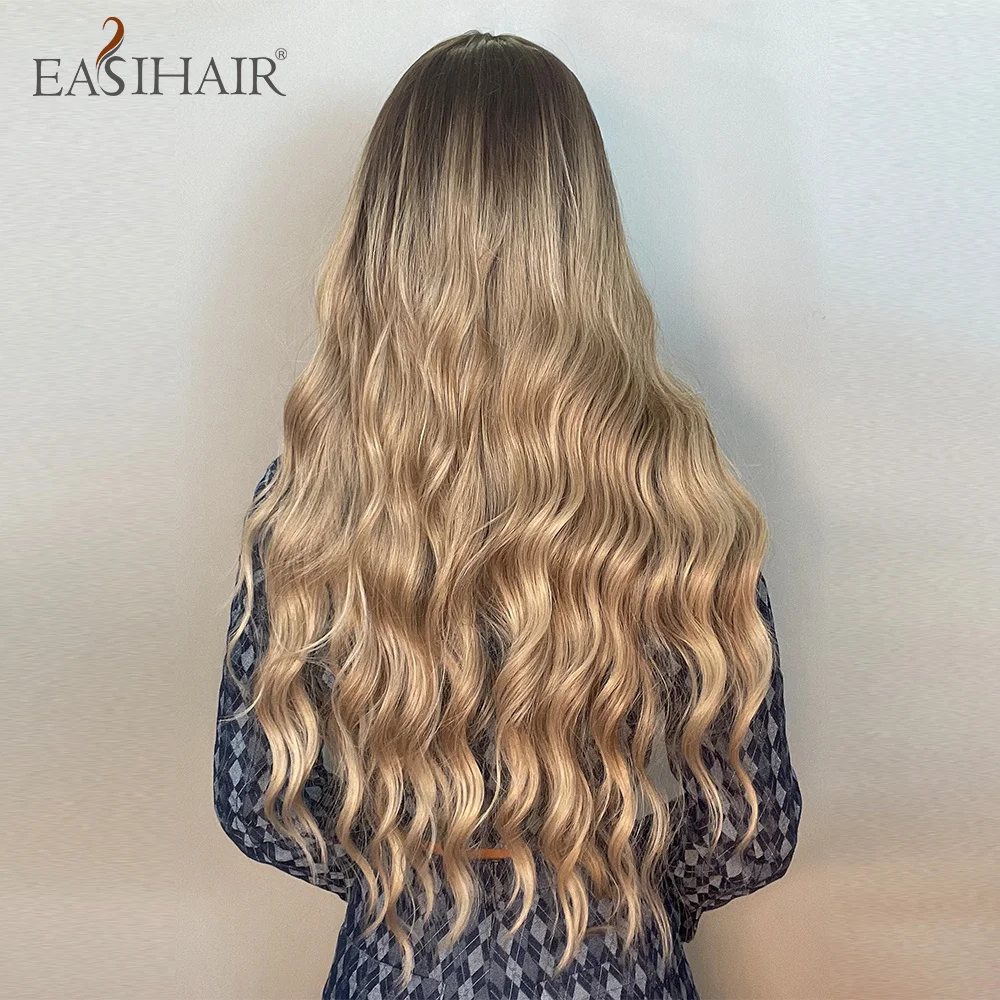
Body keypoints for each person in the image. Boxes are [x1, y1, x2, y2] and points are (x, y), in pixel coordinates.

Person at [213, 29, 802, 1000]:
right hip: (615, 964)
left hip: (397, 967)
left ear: (384, 234)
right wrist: (634, 894)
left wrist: (404, 880)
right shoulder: (674, 488)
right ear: (584, 232)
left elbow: (257, 804)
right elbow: (748, 834)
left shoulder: (313, 494)